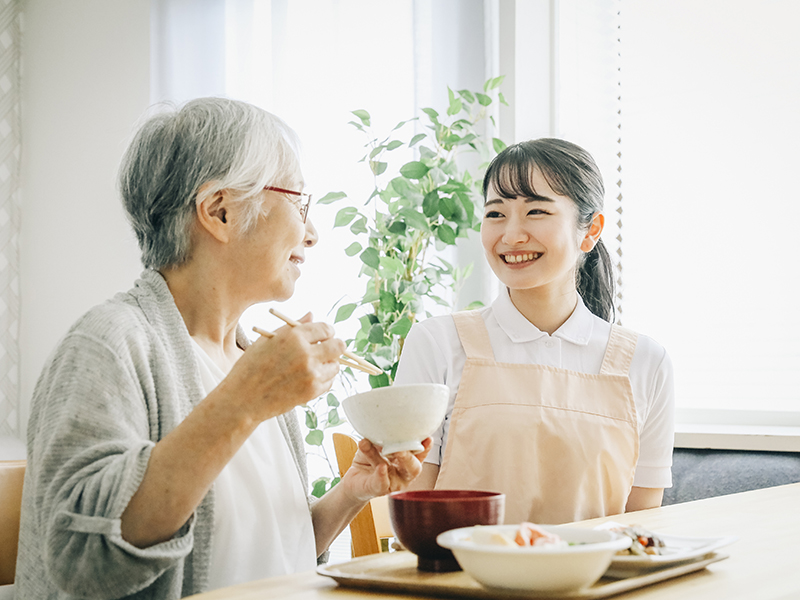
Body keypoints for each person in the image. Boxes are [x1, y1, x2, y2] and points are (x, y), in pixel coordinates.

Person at [16, 97, 430, 599]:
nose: (314, 232)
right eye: (301, 203)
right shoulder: (108, 345)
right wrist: (246, 399)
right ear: (220, 211)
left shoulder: (247, 357)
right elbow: (86, 564)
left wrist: (350, 493)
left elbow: (271, 555)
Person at [395, 138, 674, 525]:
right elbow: (415, 511)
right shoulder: (438, 344)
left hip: (595, 581)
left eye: (536, 211)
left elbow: (641, 523)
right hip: (462, 579)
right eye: (495, 214)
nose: (511, 235)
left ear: (590, 230)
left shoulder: (646, 361)